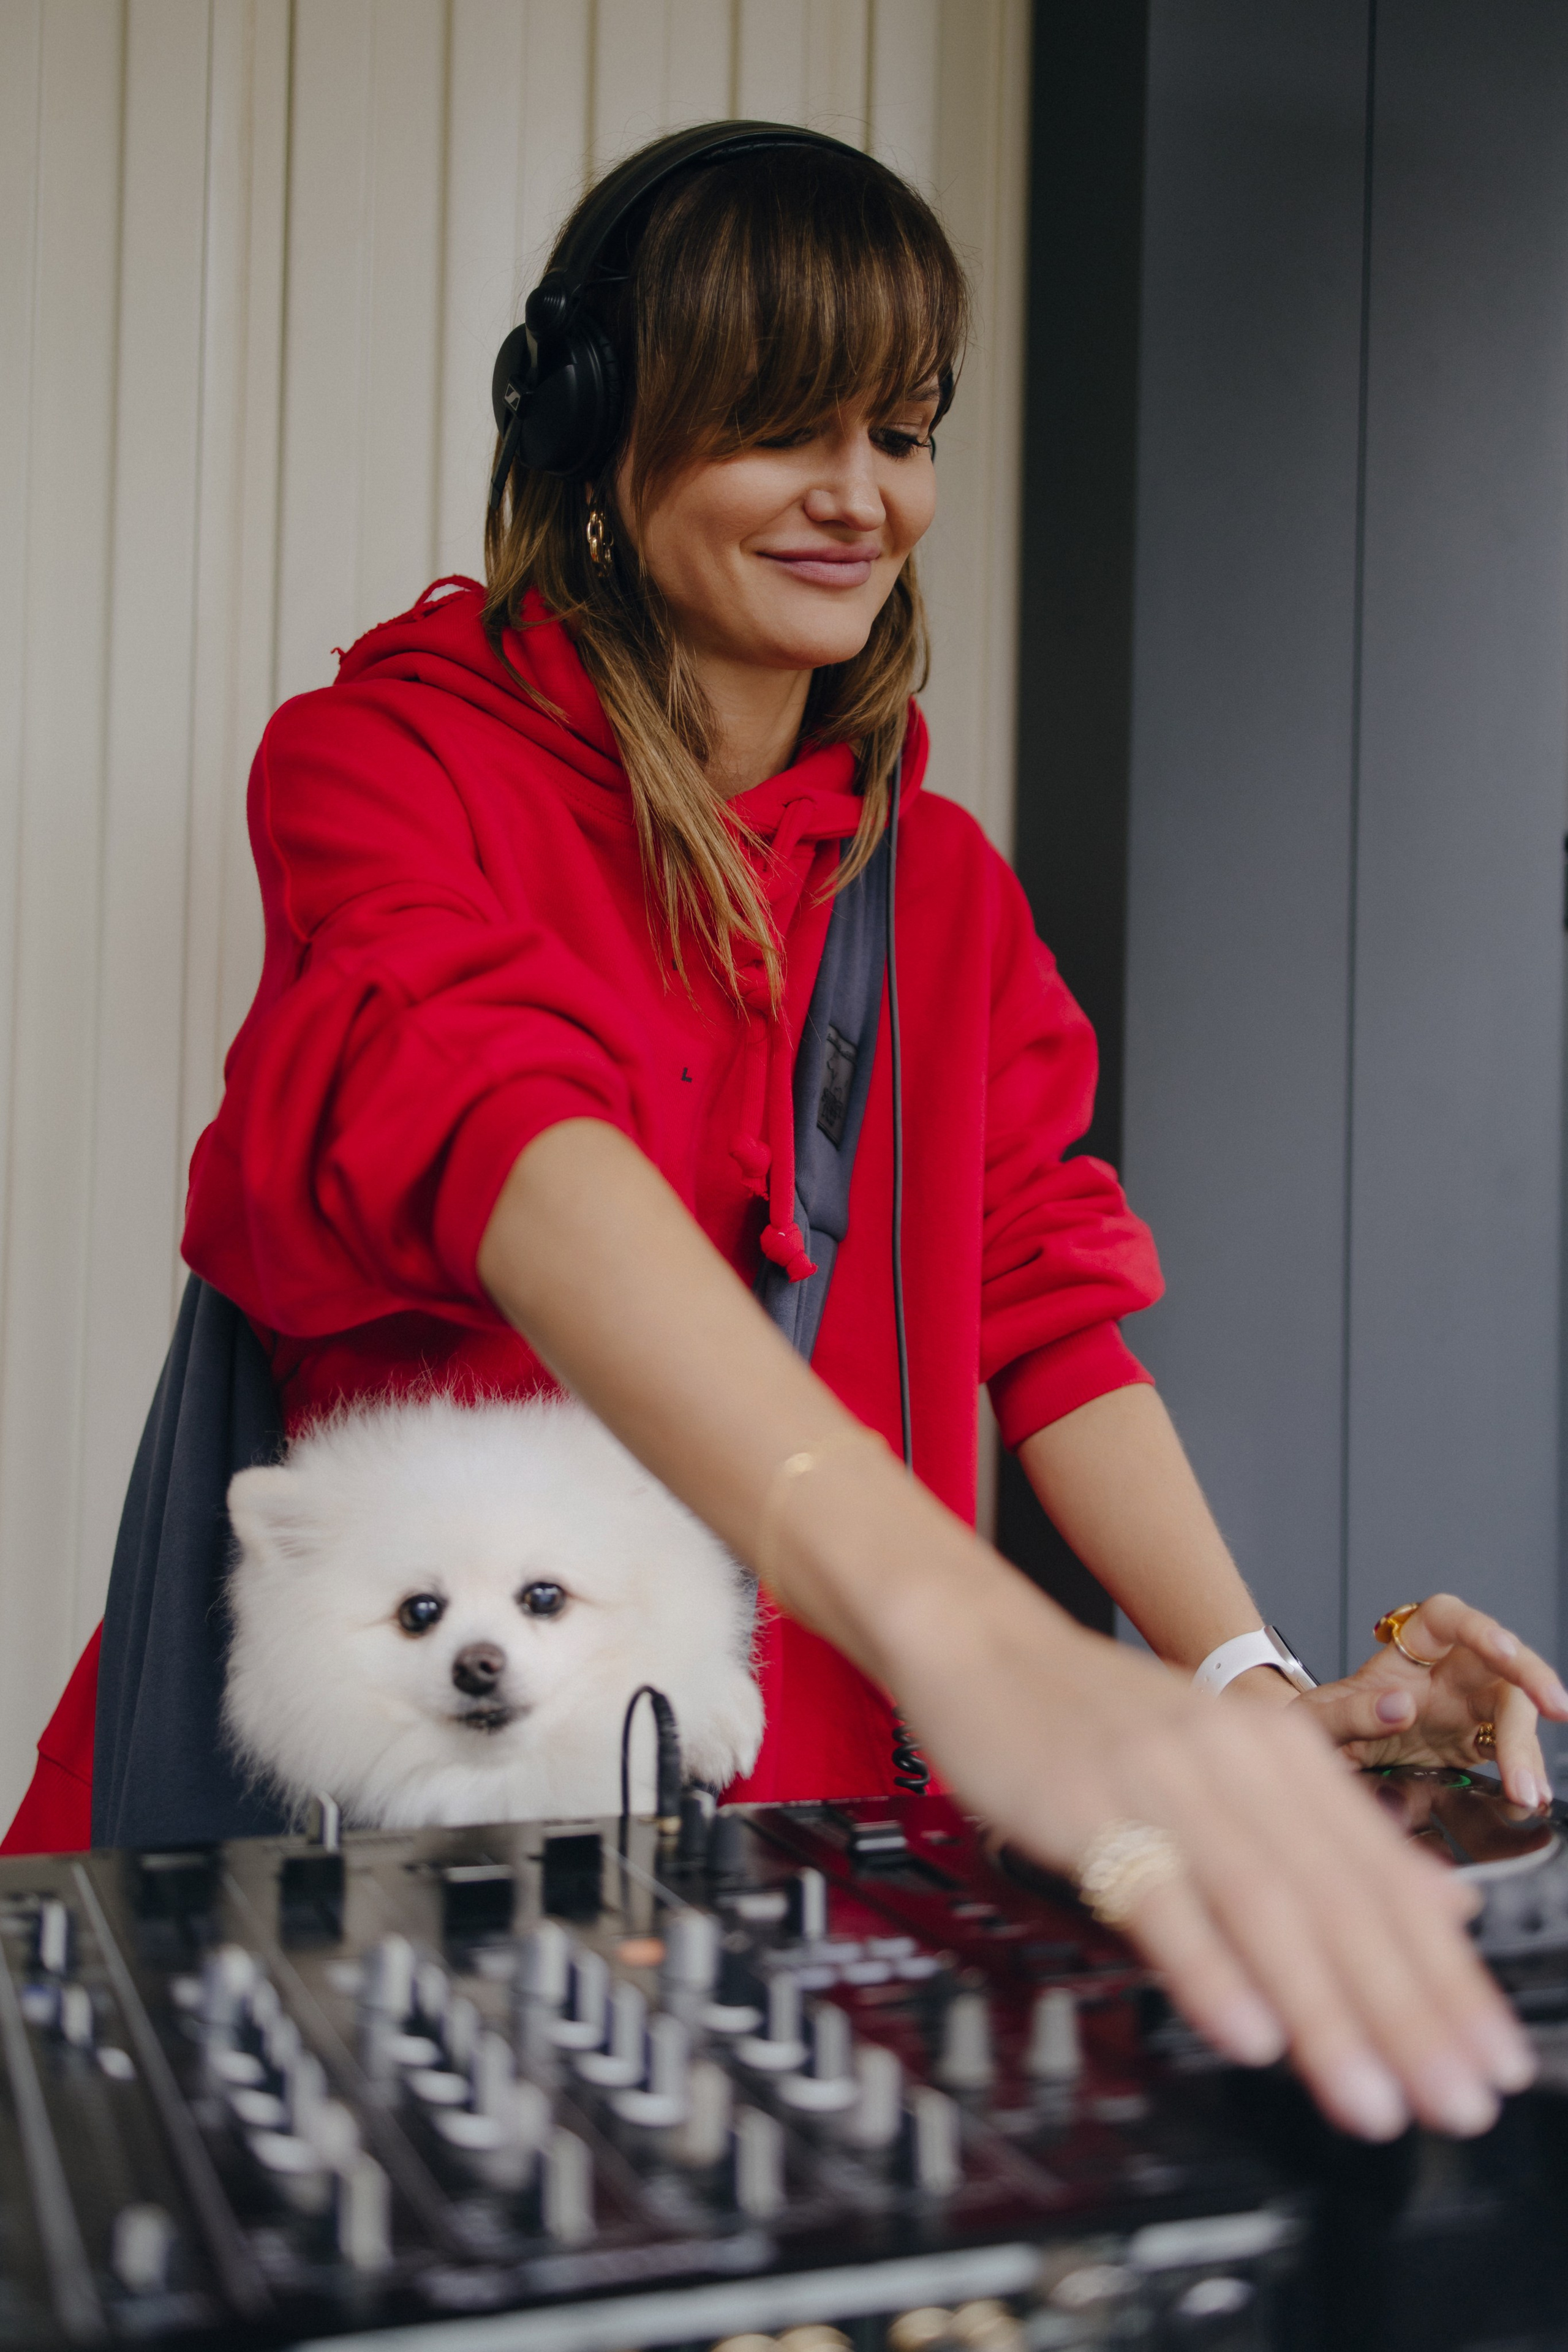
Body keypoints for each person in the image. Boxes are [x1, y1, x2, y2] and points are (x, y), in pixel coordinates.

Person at [7, 125, 1562, 2147]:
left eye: (902, 432)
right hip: (418, 1853)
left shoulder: (950, 890)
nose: (861, 496)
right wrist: (969, 1628)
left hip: (809, 1860)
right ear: (596, 428)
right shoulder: (381, 768)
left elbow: (1049, 1315)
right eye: (779, 427)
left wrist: (1250, 1685)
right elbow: (501, 1127)